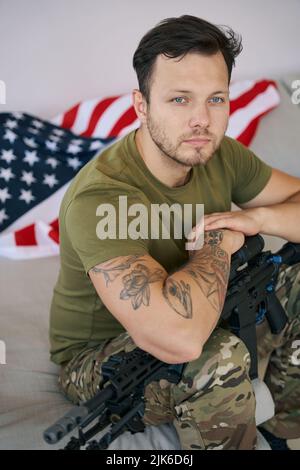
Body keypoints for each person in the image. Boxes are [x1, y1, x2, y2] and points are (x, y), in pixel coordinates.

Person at [49, 15, 300, 450]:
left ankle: (282, 427)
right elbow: (179, 339)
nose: (202, 120)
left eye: (216, 99)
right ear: (141, 105)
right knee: (214, 358)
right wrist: (220, 242)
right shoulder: (103, 197)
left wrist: (258, 220)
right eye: (180, 99)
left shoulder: (219, 153)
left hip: (211, 305)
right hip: (101, 357)